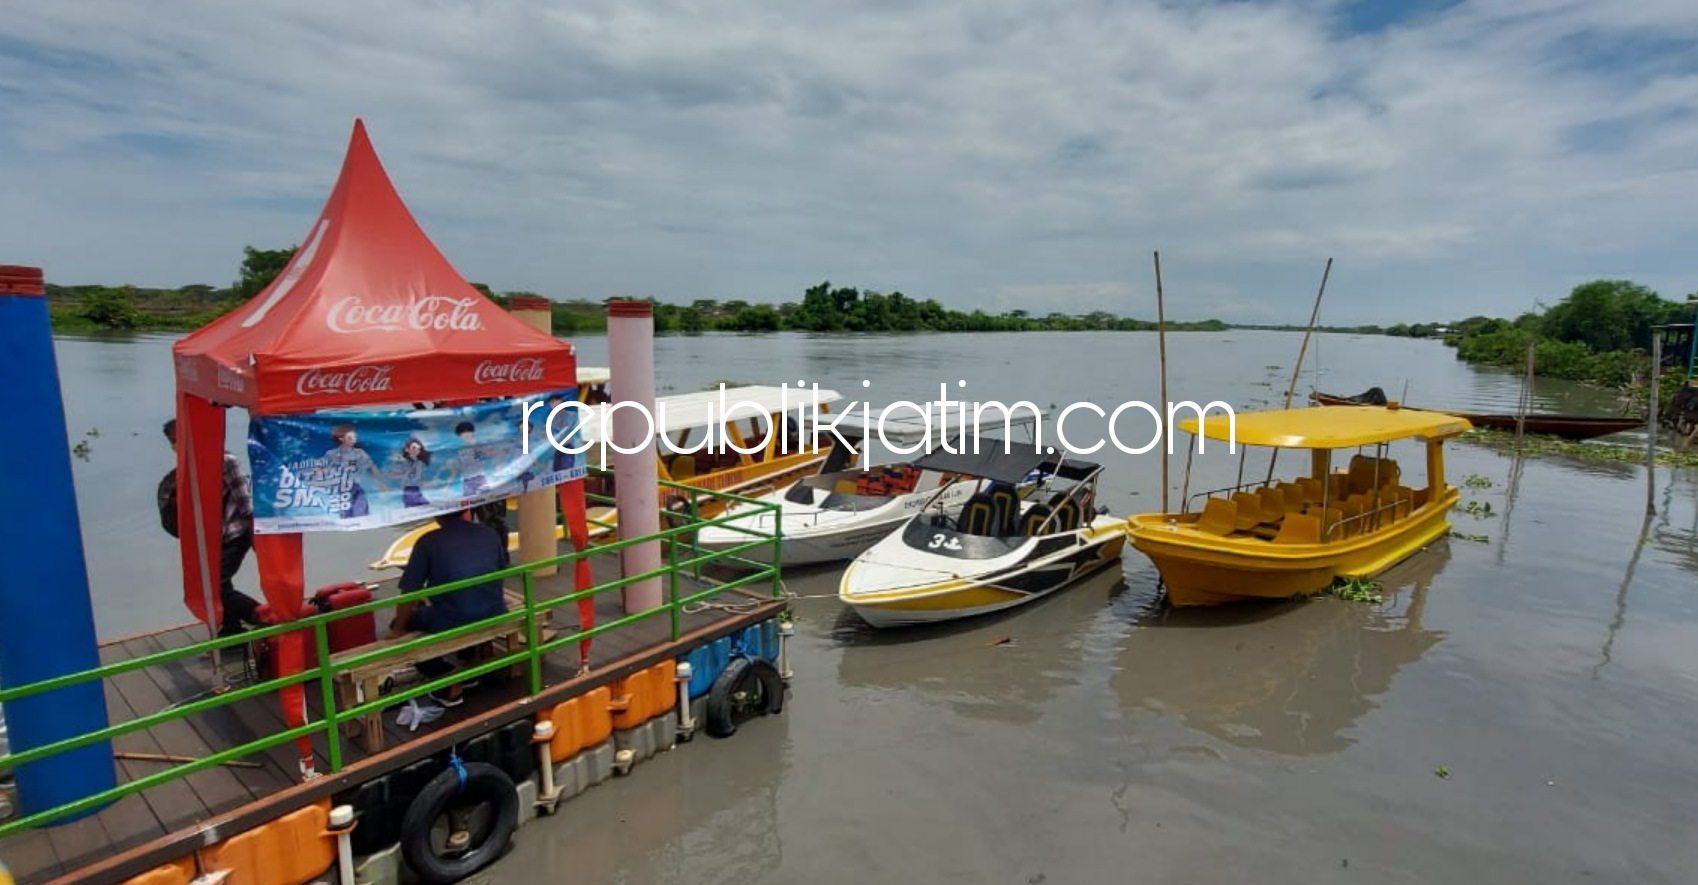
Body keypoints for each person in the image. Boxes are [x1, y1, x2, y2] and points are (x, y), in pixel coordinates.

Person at [390, 509, 508, 706]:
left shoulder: (428, 541)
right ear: (464, 510)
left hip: (454, 616)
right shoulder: (488, 533)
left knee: (403, 624)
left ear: (437, 514)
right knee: (466, 604)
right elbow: (501, 567)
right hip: (495, 609)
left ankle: (445, 678)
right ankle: (469, 668)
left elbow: (409, 590)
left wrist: (397, 629)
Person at [159, 419, 263, 637]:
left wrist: (257, 539)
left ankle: (260, 615)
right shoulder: (190, 466)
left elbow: (246, 504)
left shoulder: (226, 462)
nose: (176, 446)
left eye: (178, 439)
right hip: (213, 538)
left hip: (235, 533)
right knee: (215, 583)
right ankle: (231, 628)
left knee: (214, 586)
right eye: (172, 441)